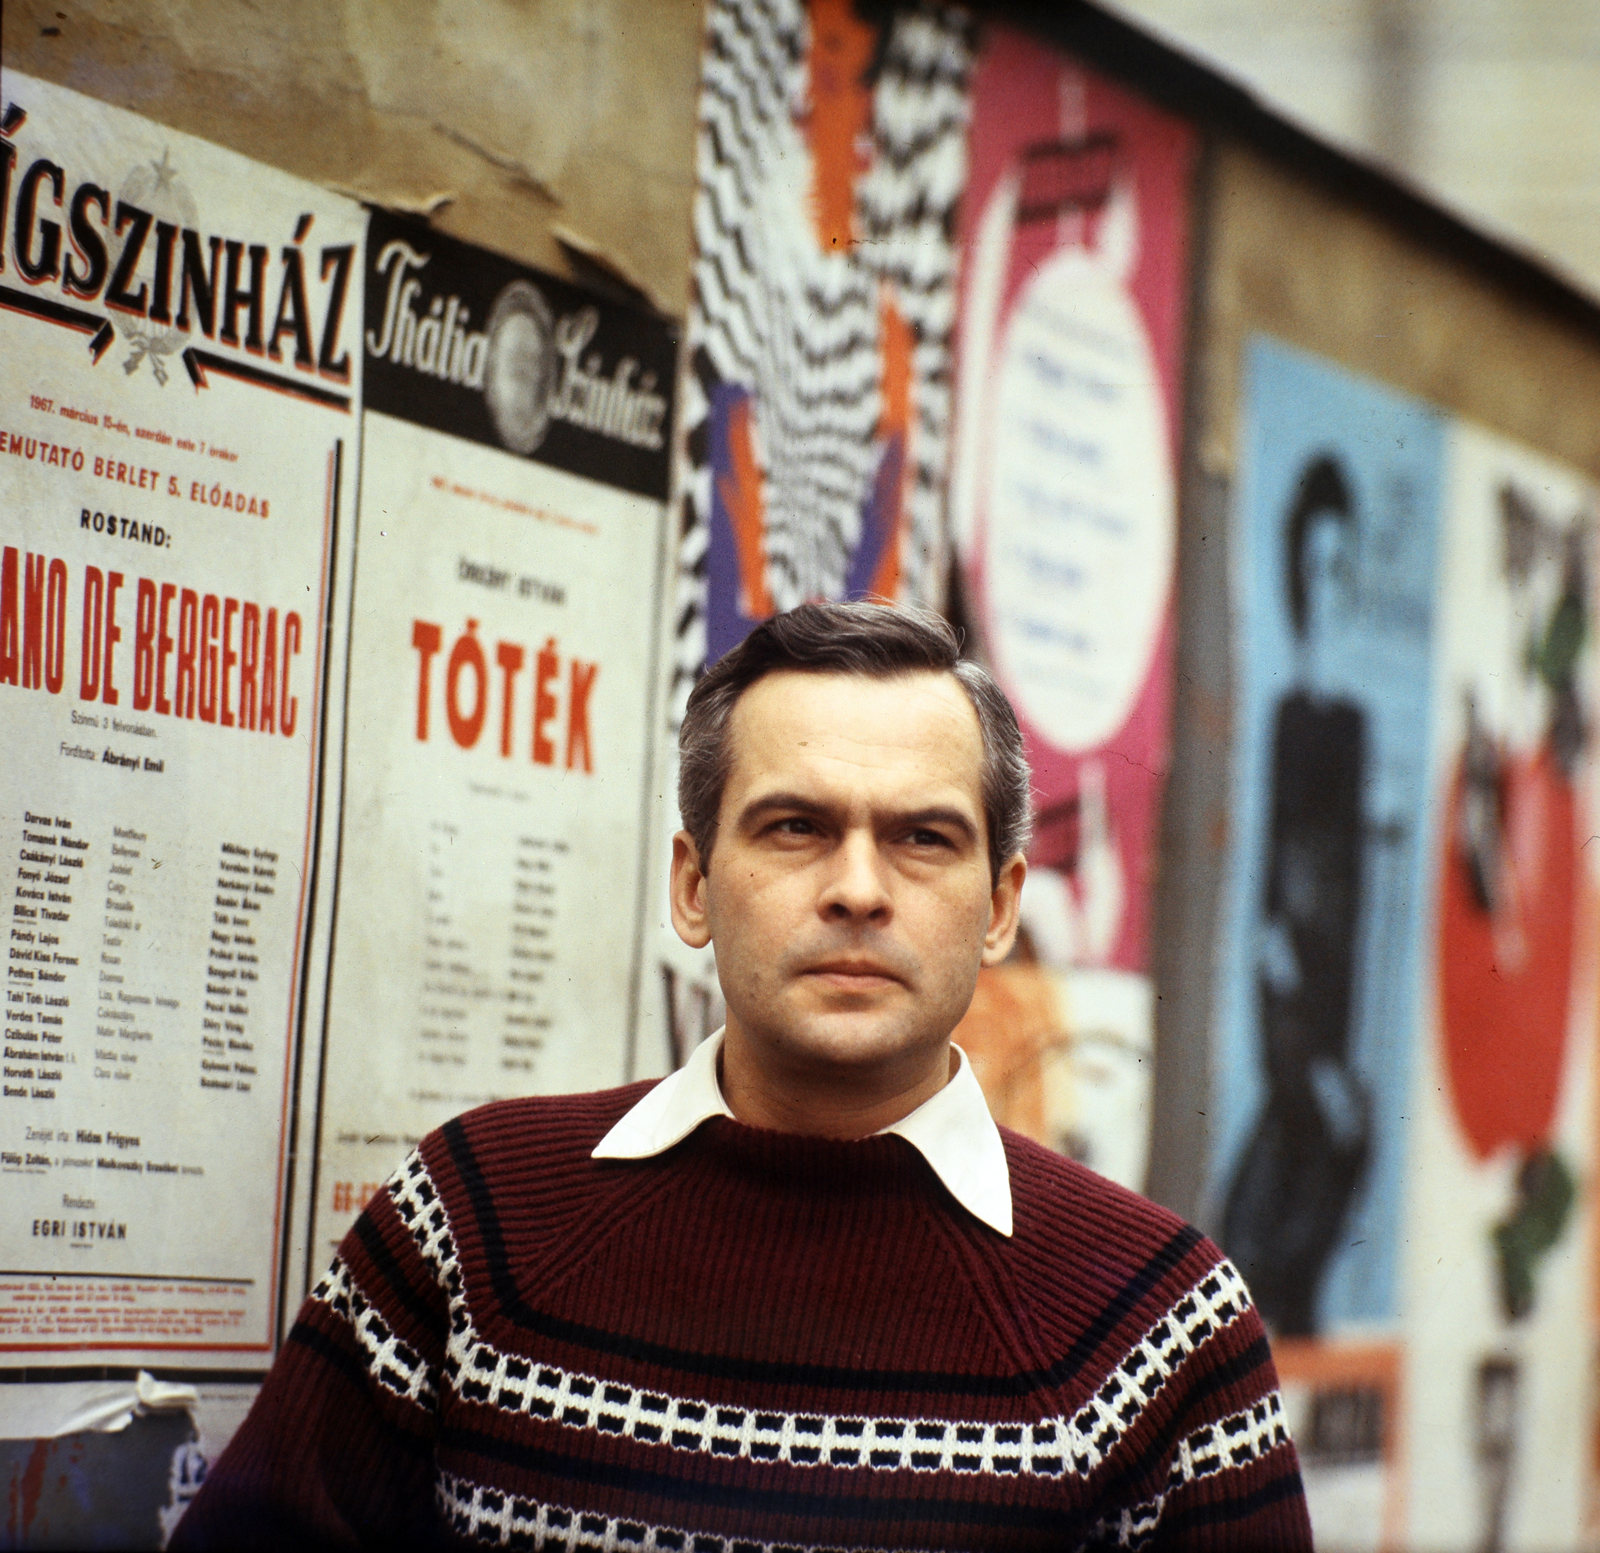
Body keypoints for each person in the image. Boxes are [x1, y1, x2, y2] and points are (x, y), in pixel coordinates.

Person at [174, 602, 1311, 1550]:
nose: (858, 888)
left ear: (1002, 904)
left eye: (922, 837)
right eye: (793, 826)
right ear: (693, 885)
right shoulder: (475, 1219)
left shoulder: (1160, 1323)